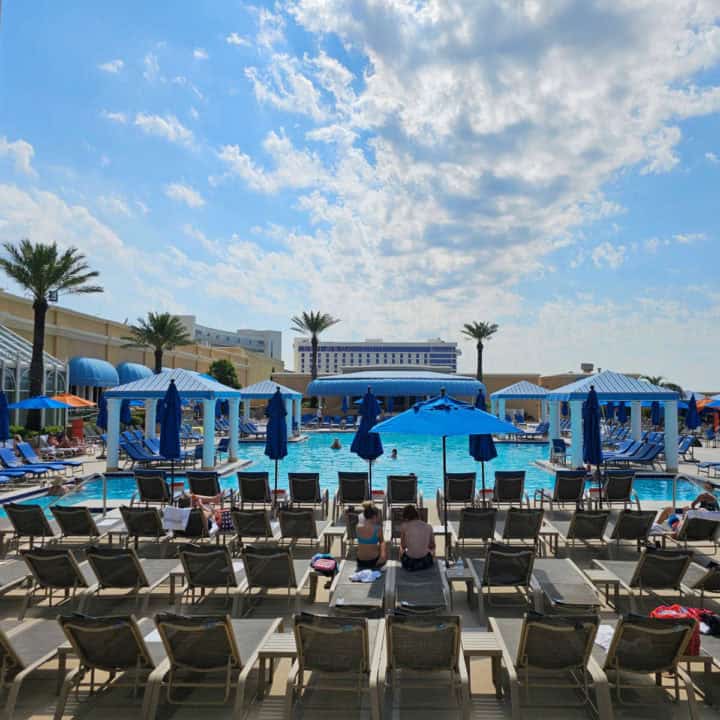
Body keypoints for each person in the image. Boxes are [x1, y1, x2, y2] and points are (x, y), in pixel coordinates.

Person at [400, 504, 435, 571]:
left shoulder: (404, 526)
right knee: (430, 552)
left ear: (405, 517)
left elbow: (403, 546)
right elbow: (432, 545)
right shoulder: (428, 526)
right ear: (416, 514)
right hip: (425, 562)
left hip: (410, 563)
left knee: (401, 550)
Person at [355, 502, 387, 569]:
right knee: (383, 544)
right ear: (374, 516)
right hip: (373, 561)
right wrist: (383, 555)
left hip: (360, 561)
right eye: (378, 516)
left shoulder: (357, 527)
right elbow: (382, 542)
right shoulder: (378, 528)